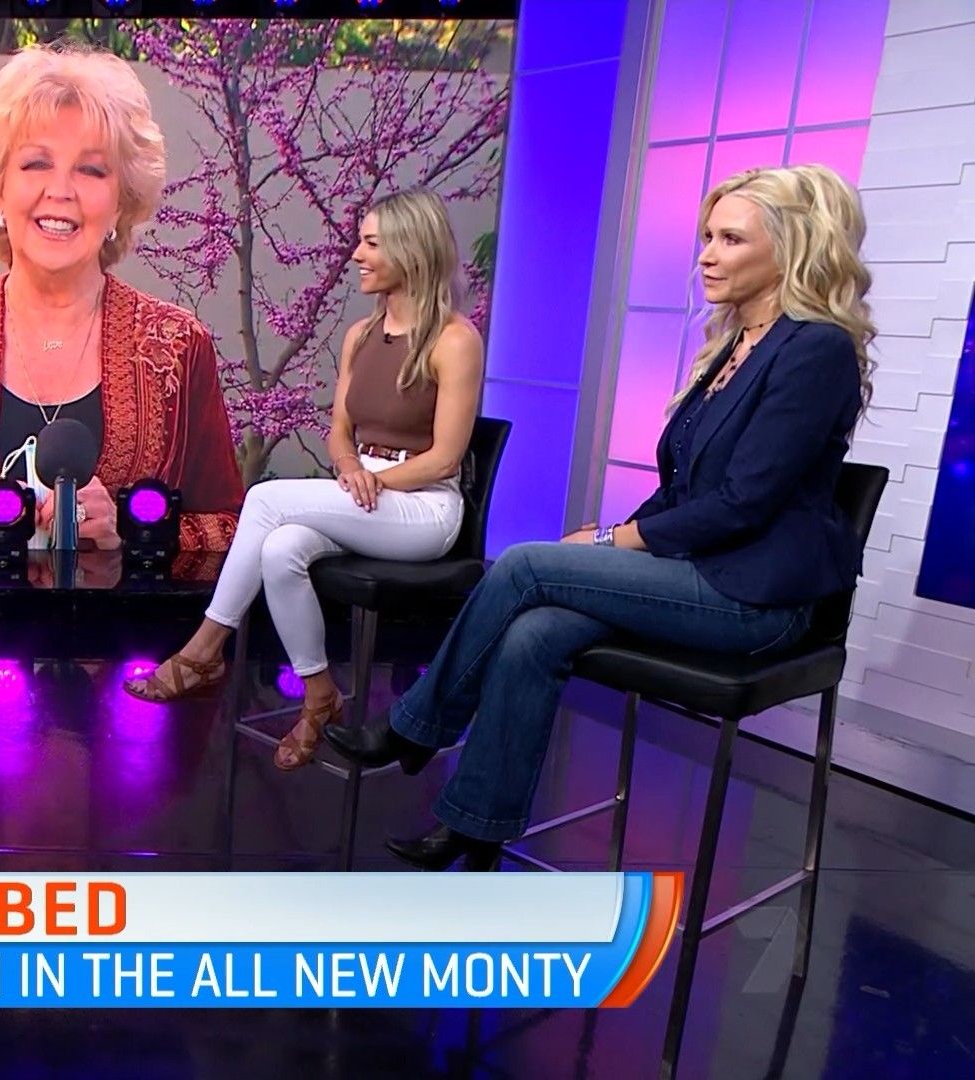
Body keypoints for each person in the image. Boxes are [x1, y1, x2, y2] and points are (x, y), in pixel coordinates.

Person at [326, 164, 877, 871]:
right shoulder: (736, 345)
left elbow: (745, 502)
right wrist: (615, 541)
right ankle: (475, 829)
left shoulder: (815, 350)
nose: (707, 255)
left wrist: (620, 540)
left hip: (754, 598)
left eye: (731, 239)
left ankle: (415, 728)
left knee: (525, 564)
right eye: (707, 237)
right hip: (696, 571)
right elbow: (686, 488)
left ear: (790, 247)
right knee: (535, 632)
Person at [125, 190, 484, 774]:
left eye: (371, 243)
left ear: (410, 250)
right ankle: (319, 694)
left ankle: (203, 650)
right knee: (281, 548)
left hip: (423, 507)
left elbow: (445, 459)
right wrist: (350, 468)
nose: (356, 255)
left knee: (266, 498)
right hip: (364, 488)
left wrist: (376, 481)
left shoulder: (454, 340)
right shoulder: (361, 335)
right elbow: (340, 431)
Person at [0, 43, 244, 554]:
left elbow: (232, 532)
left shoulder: (179, 347)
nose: (61, 190)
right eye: (36, 163)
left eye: (91, 170)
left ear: (121, 203)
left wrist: (133, 530)